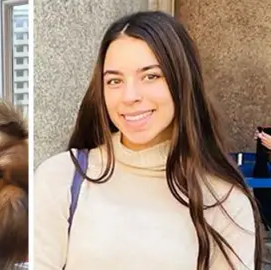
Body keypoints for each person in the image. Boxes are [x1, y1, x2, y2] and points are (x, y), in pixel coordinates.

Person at [34, 11, 263, 270]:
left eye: (151, 76)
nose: (130, 96)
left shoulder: (225, 200)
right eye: (114, 80)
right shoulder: (61, 177)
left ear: (182, 81)